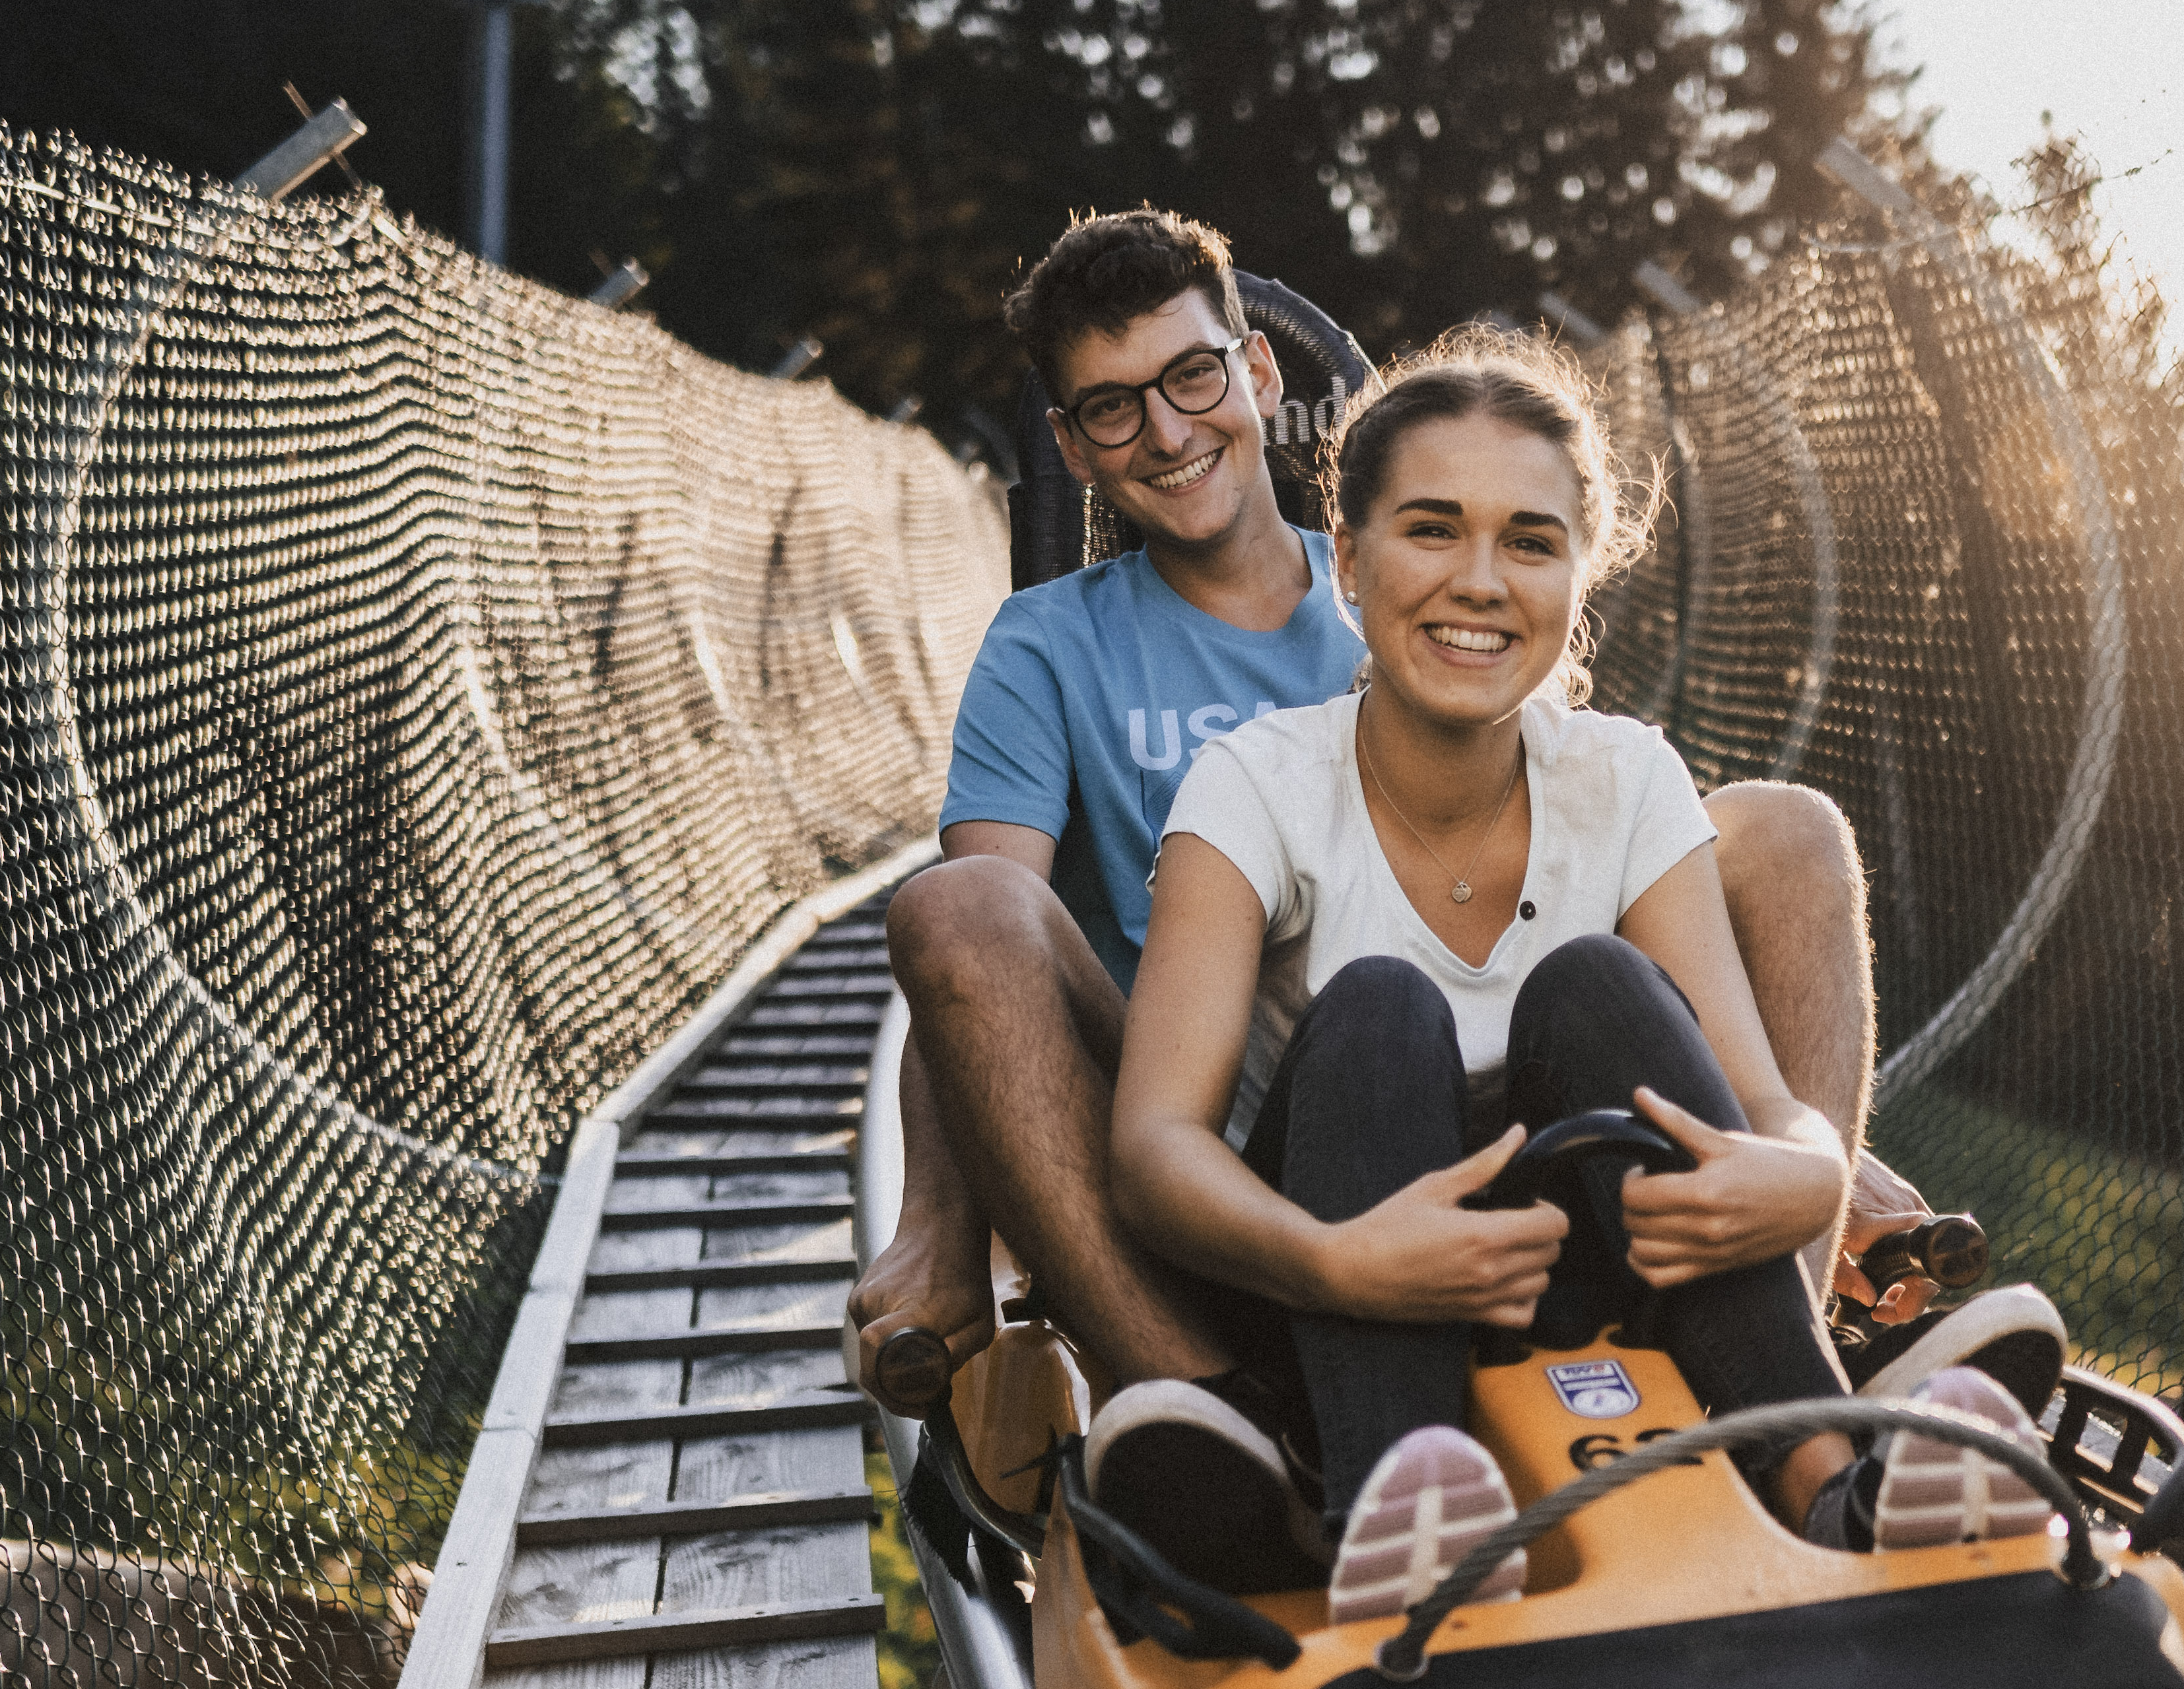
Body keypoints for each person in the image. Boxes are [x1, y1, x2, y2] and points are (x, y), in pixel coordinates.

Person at [847, 207, 2052, 1458]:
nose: (1165, 430)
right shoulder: (1055, 647)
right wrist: (940, 1215)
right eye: (1112, 408)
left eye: (1192, 376)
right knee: (968, 908)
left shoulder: (1424, 566)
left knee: (1785, 832)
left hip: (1500, 1044)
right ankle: (1226, 1418)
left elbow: (1591, 812)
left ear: (1257, 372)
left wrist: (1807, 1145)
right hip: (1219, 1077)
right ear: (1072, 446)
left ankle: (1788, 1346)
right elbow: (973, 985)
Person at [1103, 330, 2068, 1617]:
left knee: (1597, 988)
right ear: (1350, 562)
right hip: (1343, 1277)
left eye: (1531, 542)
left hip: (1598, 1275)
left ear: (1579, 572)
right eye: (1432, 530)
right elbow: (1156, 1145)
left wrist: (1805, 1170)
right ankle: (1398, 1503)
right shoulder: (1255, 782)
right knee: (1382, 1008)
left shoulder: (1623, 777)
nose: (1481, 581)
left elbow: (1758, 1095)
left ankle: (1826, 1472)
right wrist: (1333, 1265)